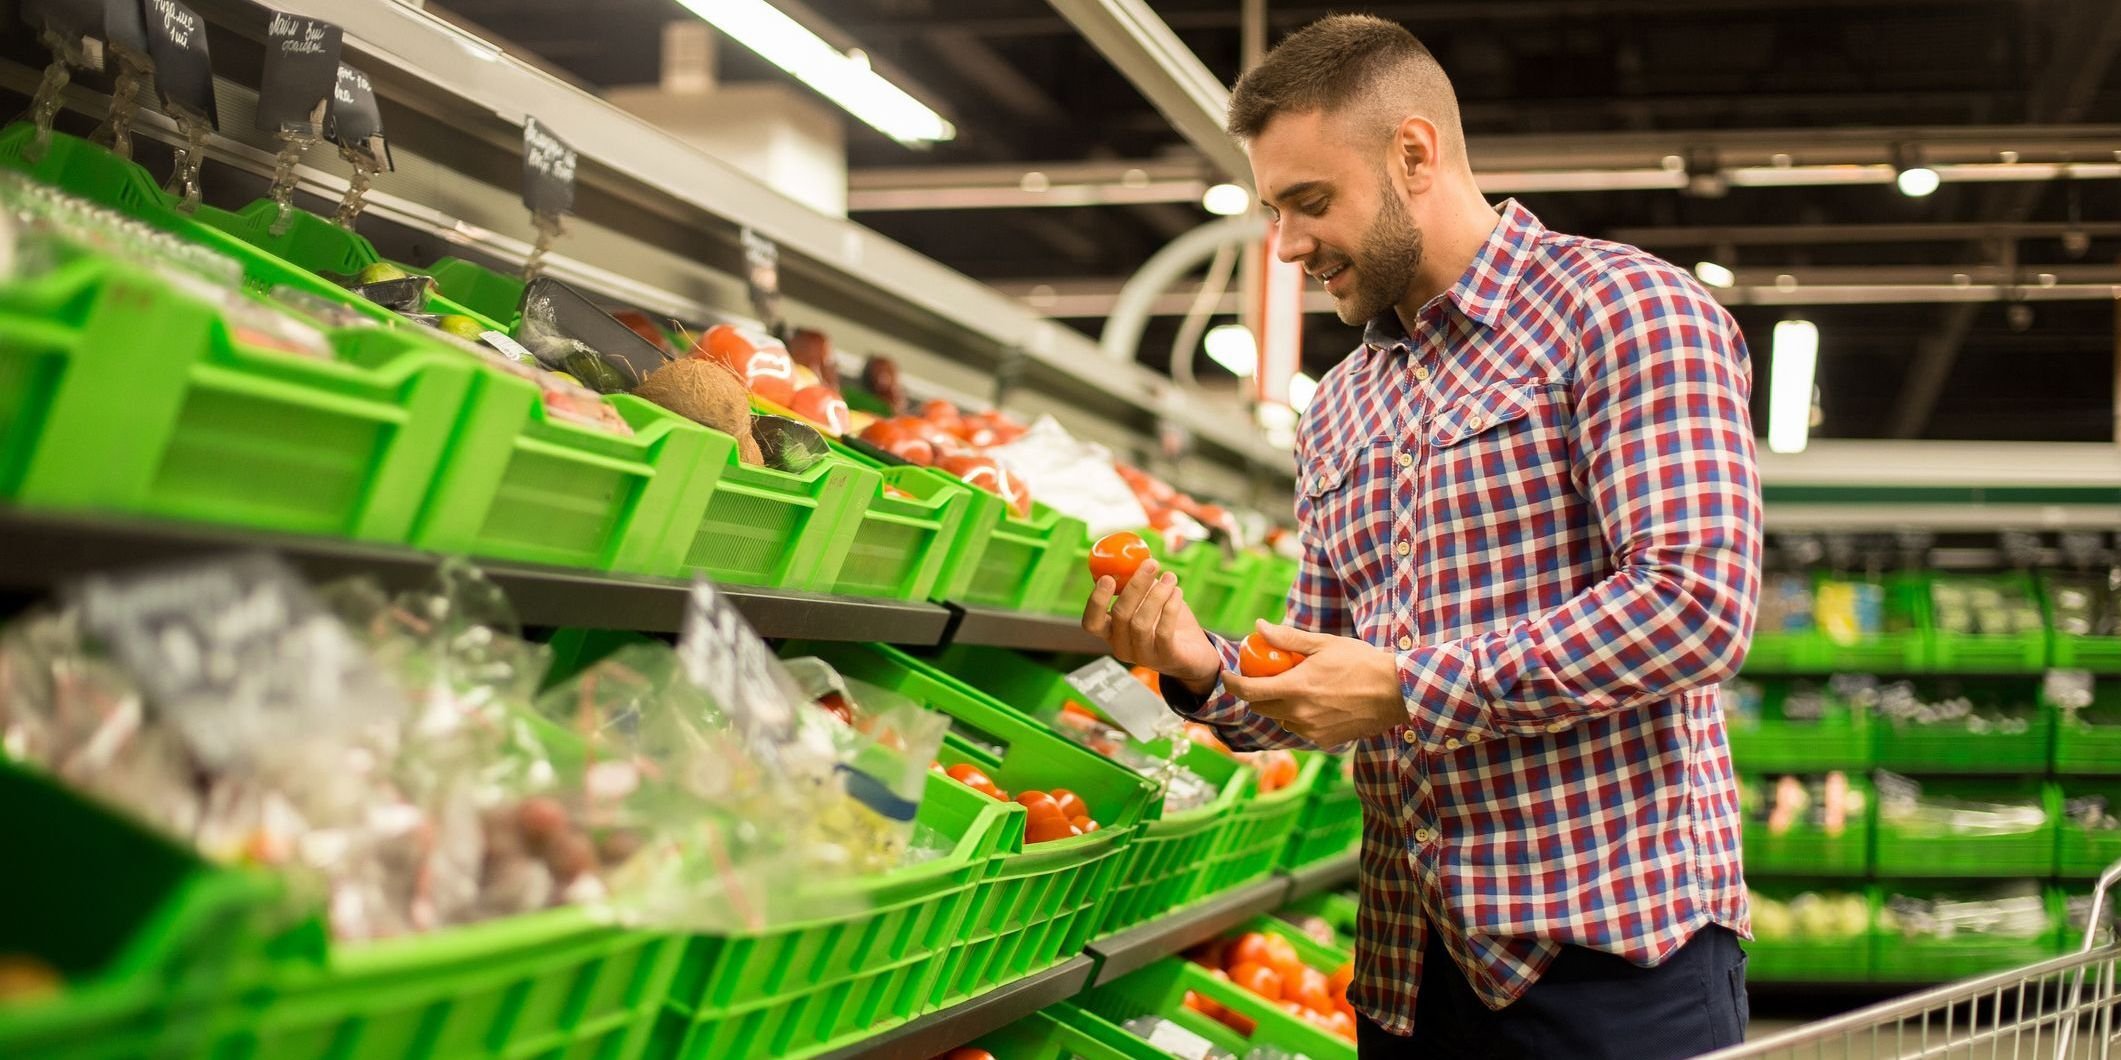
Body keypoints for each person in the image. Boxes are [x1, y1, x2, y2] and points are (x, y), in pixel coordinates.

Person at [1082, 14, 1761, 1059]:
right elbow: (1316, 685)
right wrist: (1195, 667)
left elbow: (1694, 607)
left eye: (1312, 202)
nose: (1290, 244)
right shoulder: (1342, 405)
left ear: (1413, 153)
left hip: (1614, 966)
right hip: (1406, 974)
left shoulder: (1624, 312)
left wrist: (1408, 686)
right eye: (1276, 210)